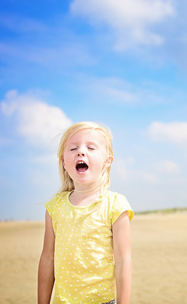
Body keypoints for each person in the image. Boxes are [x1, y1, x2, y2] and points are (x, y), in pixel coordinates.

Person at [38, 122, 133, 304]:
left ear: (107, 161)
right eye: (73, 148)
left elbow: (123, 262)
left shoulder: (115, 204)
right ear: (63, 162)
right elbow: (47, 259)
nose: (81, 152)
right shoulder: (55, 207)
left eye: (91, 147)